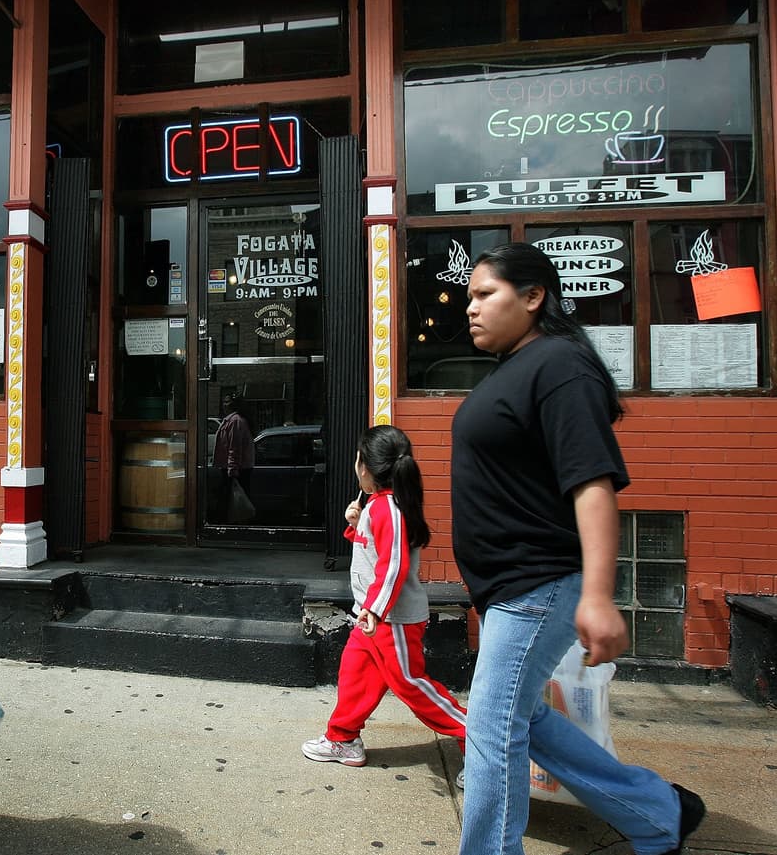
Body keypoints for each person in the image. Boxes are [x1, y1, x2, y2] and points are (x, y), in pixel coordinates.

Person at [451, 243, 705, 855]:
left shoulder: (560, 364)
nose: (471, 308)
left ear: (534, 297)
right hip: (511, 587)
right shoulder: (519, 365)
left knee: (491, 728)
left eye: (486, 294)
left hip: (539, 584)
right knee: (519, 717)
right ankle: (656, 811)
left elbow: (591, 483)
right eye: (468, 298)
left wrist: (597, 593)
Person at [302, 425, 467, 786]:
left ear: (366, 468)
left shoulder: (388, 508)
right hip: (374, 618)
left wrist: (374, 609)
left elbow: (394, 565)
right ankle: (342, 738)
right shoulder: (380, 507)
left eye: (358, 460)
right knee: (354, 676)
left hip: (391, 620)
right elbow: (376, 550)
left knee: (412, 686)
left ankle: (480, 742)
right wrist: (355, 525)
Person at [211, 392, 255, 521]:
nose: (224, 405)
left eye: (226, 402)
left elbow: (234, 448)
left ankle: (236, 523)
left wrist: (232, 470)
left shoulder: (235, 421)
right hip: (236, 467)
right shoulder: (233, 420)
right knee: (232, 498)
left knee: (233, 498)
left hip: (237, 469)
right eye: (223, 402)